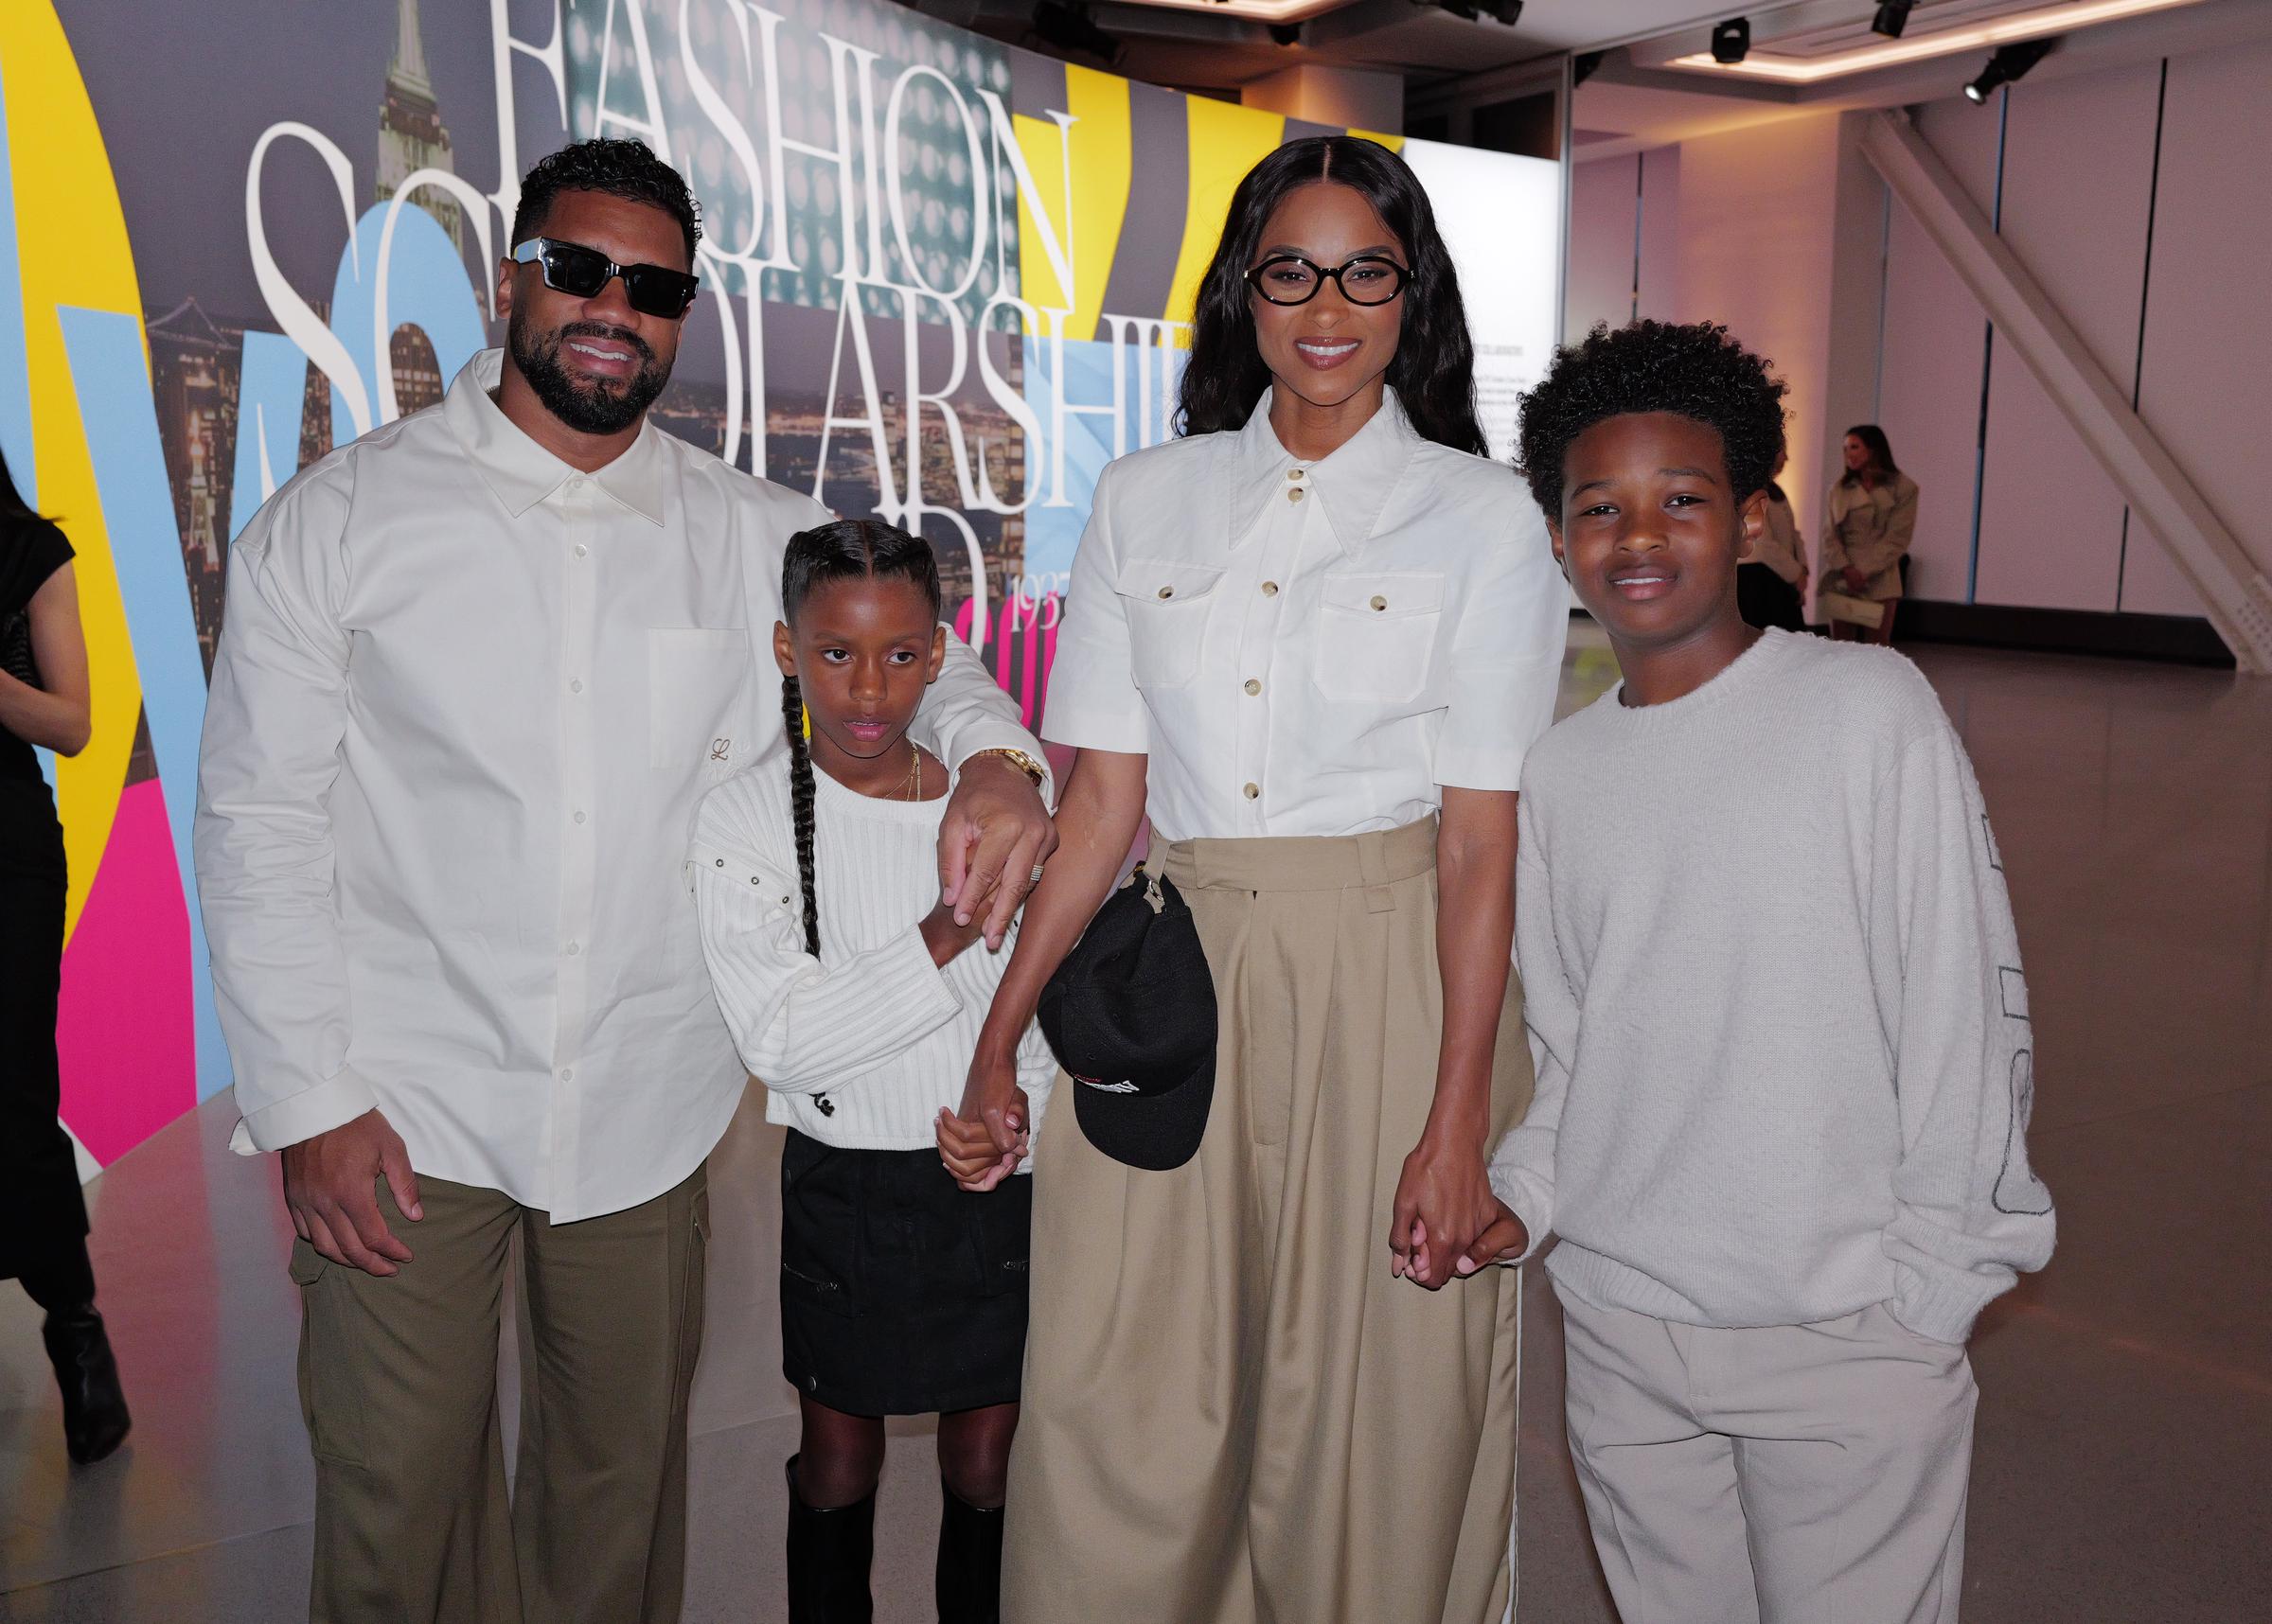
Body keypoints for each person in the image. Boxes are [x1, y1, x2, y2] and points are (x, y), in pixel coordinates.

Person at [195, 140, 1054, 1624]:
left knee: (613, 1506)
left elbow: (938, 653)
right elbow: (258, 822)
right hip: (404, 1099)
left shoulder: (748, 535)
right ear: (513, 274)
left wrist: (992, 760)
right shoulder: (341, 525)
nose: (612, 307)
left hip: (649, 1110)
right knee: (396, 1508)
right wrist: (307, 1102)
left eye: (652, 287)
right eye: (580, 269)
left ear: (681, 315)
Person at [962, 136, 1567, 1624]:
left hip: (1389, 980)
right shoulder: (1146, 496)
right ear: (1245, 288)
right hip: (1173, 978)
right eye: (1290, 268)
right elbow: (1103, 802)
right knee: (1120, 1391)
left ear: (1408, 292)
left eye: (1366, 270)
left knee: (1365, 1418)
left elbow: (1481, 841)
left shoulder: (1478, 520)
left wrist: (1456, 1121)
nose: (1326, 306)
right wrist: (997, 1046)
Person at [1464, 320, 2056, 1623]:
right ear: (1557, 535)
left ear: (1747, 519)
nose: (1637, 537)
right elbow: (1578, 1045)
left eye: (1681, 500)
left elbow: (1962, 1009)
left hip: (1844, 1333)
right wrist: (1526, 1194)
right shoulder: (1562, 772)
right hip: (1623, 1329)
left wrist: (1935, 1288)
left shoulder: (1865, 712)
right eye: (1598, 507)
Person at [689, 521, 1055, 1624]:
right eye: (837, 652)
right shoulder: (745, 815)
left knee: (987, 1466)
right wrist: (944, 929)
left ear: (939, 656)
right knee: (839, 1462)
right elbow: (784, 1042)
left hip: (987, 1187)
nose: (868, 688)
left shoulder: (993, 809)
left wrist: (1016, 1112)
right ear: (786, 650)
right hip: (842, 1185)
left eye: (901, 655)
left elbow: (1032, 997)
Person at [0, 448, 130, 1467]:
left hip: (6, 859)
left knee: (12, 1102)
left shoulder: (31, 550)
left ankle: (75, 1329)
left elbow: (76, 723)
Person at [1821, 422, 1916, 644]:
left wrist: (1863, 572)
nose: (1848, 454)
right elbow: (1829, 535)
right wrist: (1846, 568)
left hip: (1881, 577)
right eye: (1845, 449)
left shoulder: (1903, 487)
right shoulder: (1839, 489)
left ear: (1873, 449)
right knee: (1841, 648)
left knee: (1877, 649)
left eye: (1854, 447)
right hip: (1843, 576)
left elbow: (1897, 538)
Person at [1735, 446, 1807, 632]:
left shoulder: (1774, 489)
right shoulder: (1749, 489)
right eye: (1781, 450)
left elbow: (1793, 534)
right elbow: (1761, 541)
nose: (1786, 457)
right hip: (1759, 578)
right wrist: (1795, 573)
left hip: (1777, 576)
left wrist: (1802, 570)